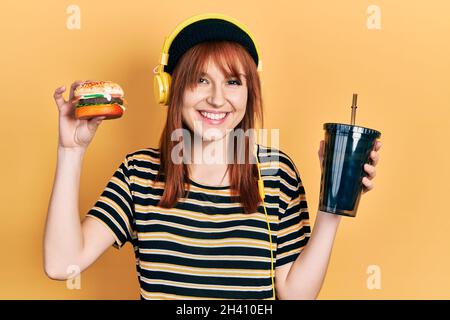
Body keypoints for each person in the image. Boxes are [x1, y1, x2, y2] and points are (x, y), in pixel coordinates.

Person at [44, 13, 382, 300]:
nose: (218, 99)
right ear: (170, 89)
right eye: (200, 80)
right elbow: (62, 264)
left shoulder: (276, 173)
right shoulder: (139, 174)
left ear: (250, 93)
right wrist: (71, 150)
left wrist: (333, 204)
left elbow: (296, 293)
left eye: (233, 81)